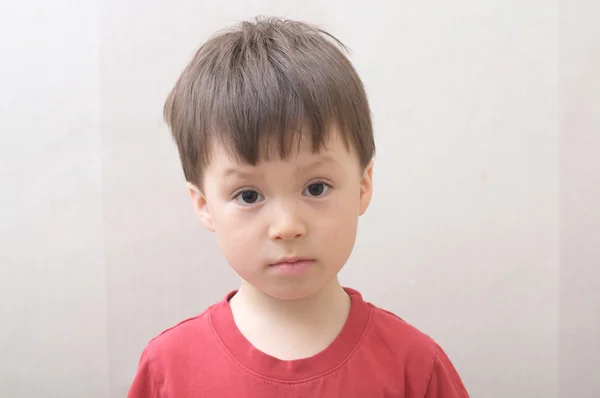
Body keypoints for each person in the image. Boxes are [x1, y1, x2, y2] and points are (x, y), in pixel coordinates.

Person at [128, 16, 469, 397]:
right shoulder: (169, 369)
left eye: (316, 187)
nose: (287, 226)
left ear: (362, 186)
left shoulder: (415, 367)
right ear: (204, 205)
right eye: (249, 196)